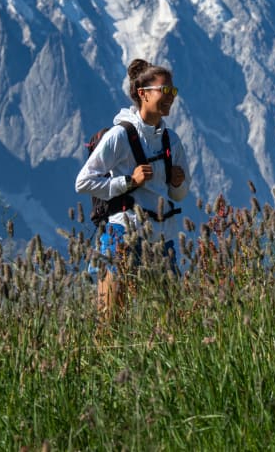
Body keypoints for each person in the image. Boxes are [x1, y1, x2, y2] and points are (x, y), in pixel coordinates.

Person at [76, 59, 190, 315]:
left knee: (173, 318)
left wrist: (177, 183)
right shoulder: (119, 135)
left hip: (162, 238)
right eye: (165, 90)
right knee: (111, 316)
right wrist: (129, 182)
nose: (171, 97)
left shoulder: (172, 140)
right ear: (143, 94)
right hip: (123, 233)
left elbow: (178, 195)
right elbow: (83, 182)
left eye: (173, 91)